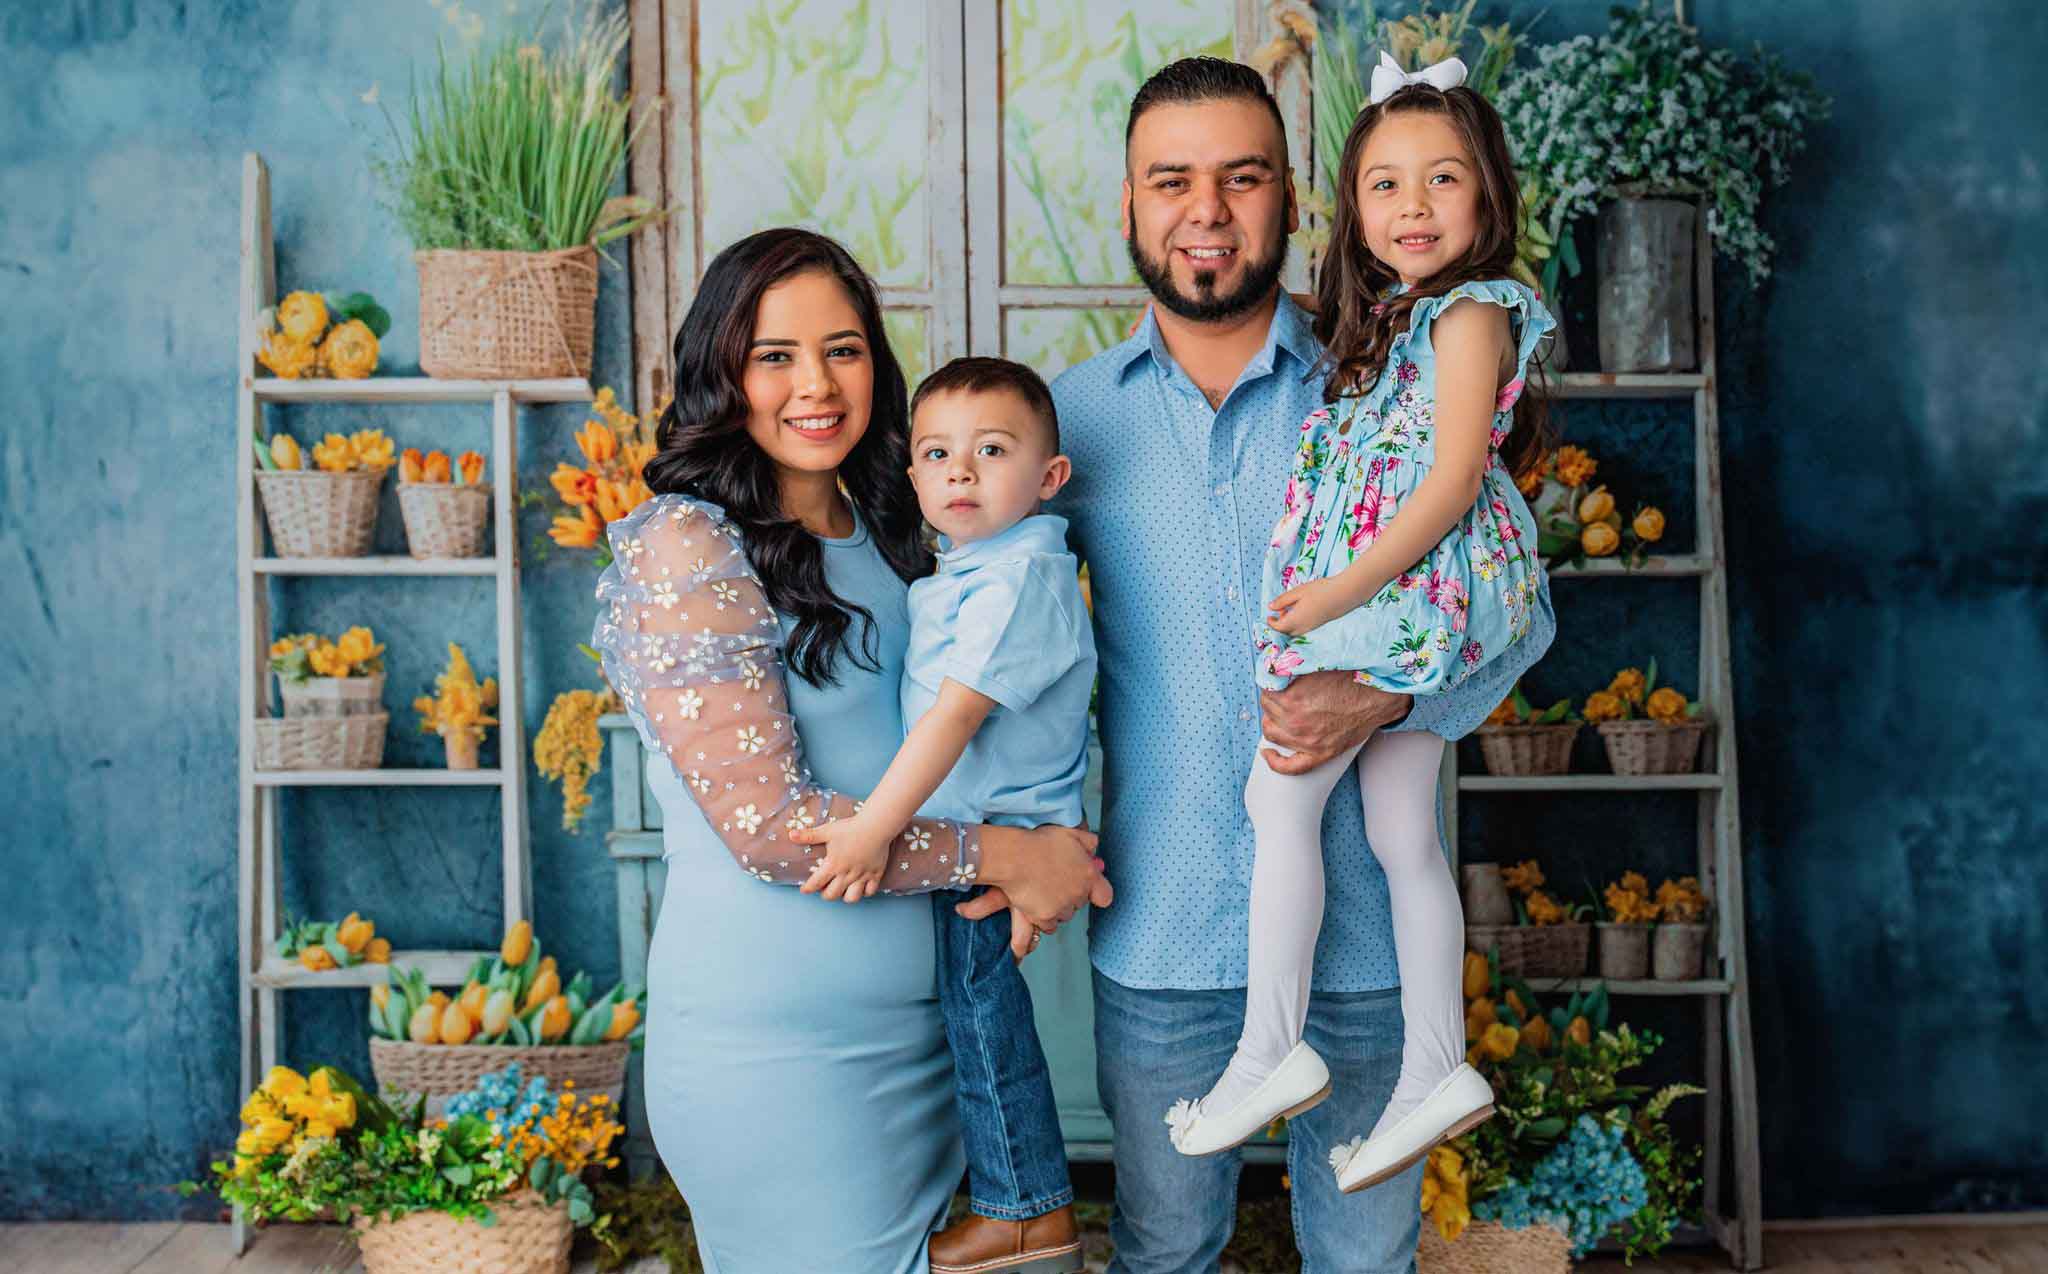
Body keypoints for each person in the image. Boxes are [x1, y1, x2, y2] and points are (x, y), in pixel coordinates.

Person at [590, 227, 1107, 1274]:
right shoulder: (687, 541)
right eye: (775, 355)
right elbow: (772, 828)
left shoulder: (901, 528)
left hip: (924, 1038)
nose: (815, 383)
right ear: (722, 369)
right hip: (775, 1049)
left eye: (843, 347)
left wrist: (1051, 828)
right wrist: (1008, 856)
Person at [1162, 52, 1557, 1200]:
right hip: (1408, 591)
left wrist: (1336, 594)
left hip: (1413, 588)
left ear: (1485, 196)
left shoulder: (1472, 310)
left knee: (1274, 792)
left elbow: (1445, 482)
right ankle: (1435, 1061)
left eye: (1441, 180)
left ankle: (1265, 1046)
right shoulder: (1387, 320)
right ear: (1349, 207)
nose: (1413, 206)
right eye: (1384, 185)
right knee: (1400, 833)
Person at [1050, 57, 1419, 1273]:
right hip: (1159, 934)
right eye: (1171, 180)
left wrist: (1390, 689)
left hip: (1366, 942)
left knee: (1367, 1263)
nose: (1204, 210)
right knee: (1162, 1256)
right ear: (1127, 205)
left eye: (1240, 176)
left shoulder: (1385, 401)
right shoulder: (1062, 428)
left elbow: (1512, 615)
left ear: (1291, 201)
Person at [793, 356, 1096, 1274]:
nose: (960, 471)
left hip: (994, 848)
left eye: (992, 450)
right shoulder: (967, 571)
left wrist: (873, 826)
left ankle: (1026, 1209)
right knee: (967, 1024)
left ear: (1049, 479)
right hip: (967, 844)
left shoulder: (1020, 583)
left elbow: (953, 718)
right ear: (915, 474)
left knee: (984, 1025)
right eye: (938, 453)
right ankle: (1006, 1198)